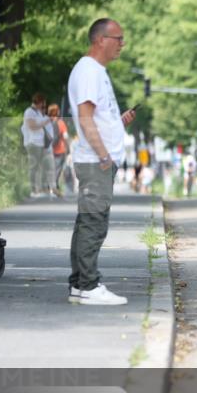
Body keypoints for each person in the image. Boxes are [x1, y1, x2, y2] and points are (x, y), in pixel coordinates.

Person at [67, 18, 136, 305]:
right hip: (96, 162)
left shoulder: (96, 71)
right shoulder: (89, 71)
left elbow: (97, 117)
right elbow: (85, 117)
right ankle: (88, 286)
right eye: (118, 38)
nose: (122, 44)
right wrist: (104, 155)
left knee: (88, 221)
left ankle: (79, 285)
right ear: (100, 40)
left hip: (98, 159)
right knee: (94, 223)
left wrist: (118, 125)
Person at [22, 93, 55, 198]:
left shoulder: (38, 112)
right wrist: (45, 122)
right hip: (33, 143)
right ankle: (33, 191)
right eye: (43, 103)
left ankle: (40, 190)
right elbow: (32, 126)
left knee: (41, 167)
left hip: (40, 144)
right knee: (34, 167)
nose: (44, 105)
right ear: (39, 102)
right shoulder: (29, 112)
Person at [48, 104, 70, 197]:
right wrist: (68, 147)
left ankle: (52, 186)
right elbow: (65, 136)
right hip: (59, 150)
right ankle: (53, 186)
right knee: (57, 169)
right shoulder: (60, 123)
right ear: (57, 112)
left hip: (48, 149)